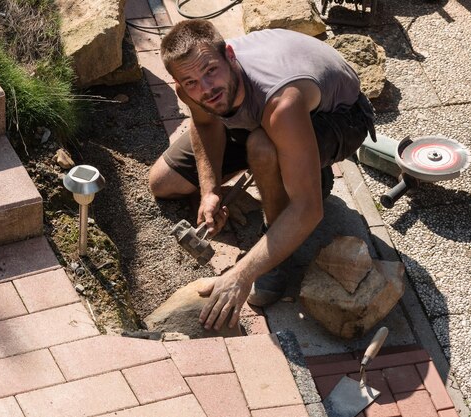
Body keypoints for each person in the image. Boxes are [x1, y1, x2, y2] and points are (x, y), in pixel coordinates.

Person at [148, 19, 376, 331]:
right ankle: (295, 174)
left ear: (229, 55)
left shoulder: (280, 101)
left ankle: (280, 252)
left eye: (210, 71)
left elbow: (310, 211)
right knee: (163, 182)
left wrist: (240, 275)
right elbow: (206, 124)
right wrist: (210, 190)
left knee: (263, 148)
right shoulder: (194, 83)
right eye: (190, 82)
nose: (205, 89)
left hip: (338, 118)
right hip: (260, 115)